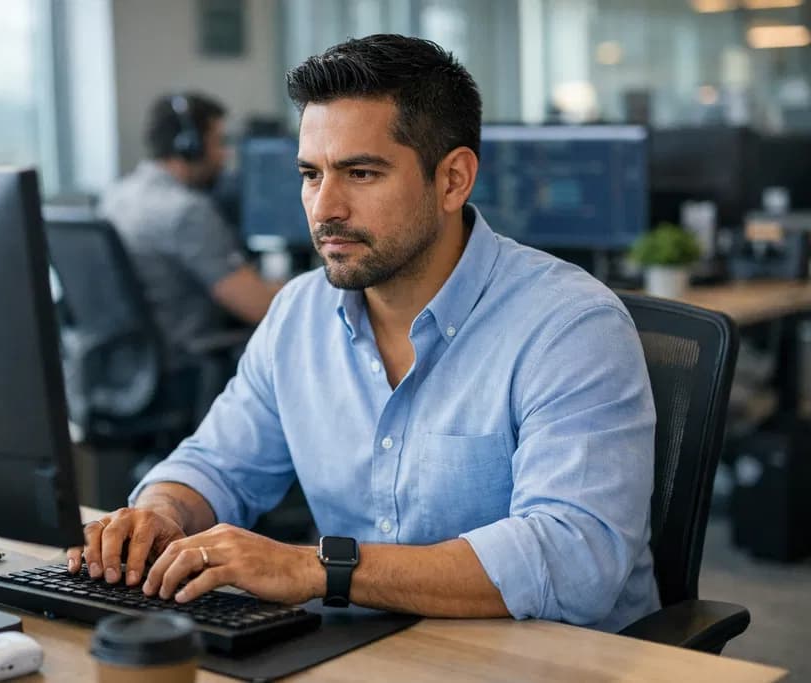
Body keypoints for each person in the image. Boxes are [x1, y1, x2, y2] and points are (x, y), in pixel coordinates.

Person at [71, 34, 659, 632]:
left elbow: (575, 560)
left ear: (453, 179)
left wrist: (321, 570)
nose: (325, 208)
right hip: (368, 653)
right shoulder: (299, 314)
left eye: (360, 172)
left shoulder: (568, 325)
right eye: (310, 174)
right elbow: (217, 465)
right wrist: (157, 515)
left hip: (546, 663)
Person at [99, 92, 280, 369]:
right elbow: (258, 307)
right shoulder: (188, 212)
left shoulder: (114, 197)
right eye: (218, 143)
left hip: (123, 369)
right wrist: (303, 286)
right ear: (190, 146)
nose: (225, 156)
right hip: (184, 366)